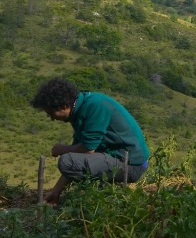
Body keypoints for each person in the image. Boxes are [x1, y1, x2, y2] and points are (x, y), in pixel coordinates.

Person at [30, 77, 150, 206]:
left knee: (66, 161)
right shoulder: (80, 110)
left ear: (64, 106)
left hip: (131, 165)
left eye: (51, 113)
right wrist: (56, 191)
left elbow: (87, 149)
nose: (52, 118)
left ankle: (96, 197)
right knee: (70, 160)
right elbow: (79, 157)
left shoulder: (94, 106)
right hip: (118, 159)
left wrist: (62, 149)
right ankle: (100, 192)